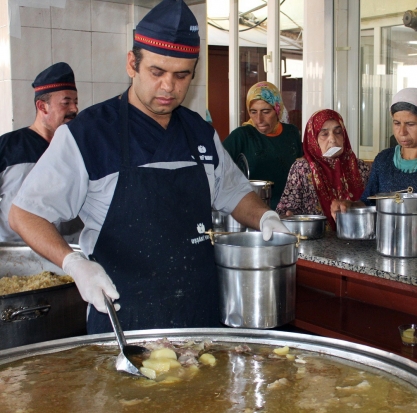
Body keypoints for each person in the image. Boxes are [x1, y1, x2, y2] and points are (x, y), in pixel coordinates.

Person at [8, 0, 288, 334]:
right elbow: (25, 214)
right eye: (157, 72)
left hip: (199, 318)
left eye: (181, 75)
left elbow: (233, 192)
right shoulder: (87, 135)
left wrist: (265, 217)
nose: (169, 86)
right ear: (132, 64)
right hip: (125, 322)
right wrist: (74, 263)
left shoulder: (200, 133)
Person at [331, 88, 417, 248]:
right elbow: (369, 203)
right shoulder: (383, 160)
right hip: (387, 248)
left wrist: (414, 216)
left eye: (411, 124)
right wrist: (349, 206)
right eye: (396, 123)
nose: (402, 132)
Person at [0, 62, 79, 242]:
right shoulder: (8, 146)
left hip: (68, 250)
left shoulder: (79, 147)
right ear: (42, 107)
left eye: (75, 102)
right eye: (66, 103)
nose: (74, 109)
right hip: (17, 251)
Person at [276, 109, 370, 230]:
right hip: (316, 238)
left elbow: (371, 204)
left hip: (357, 236)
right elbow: (286, 210)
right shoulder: (302, 168)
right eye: (324, 134)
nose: (332, 139)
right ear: (313, 139)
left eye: (338, 132)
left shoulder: (359, 167)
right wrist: (290, 216)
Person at [223, 81, 303, 209]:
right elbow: (218, 169)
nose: (259, 119)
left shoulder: (291, 133)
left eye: (266, 112)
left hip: (289, 212)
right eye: (253, 112)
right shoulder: (242, 136)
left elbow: (301, 172)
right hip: (253, 212)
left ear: (277, 110)